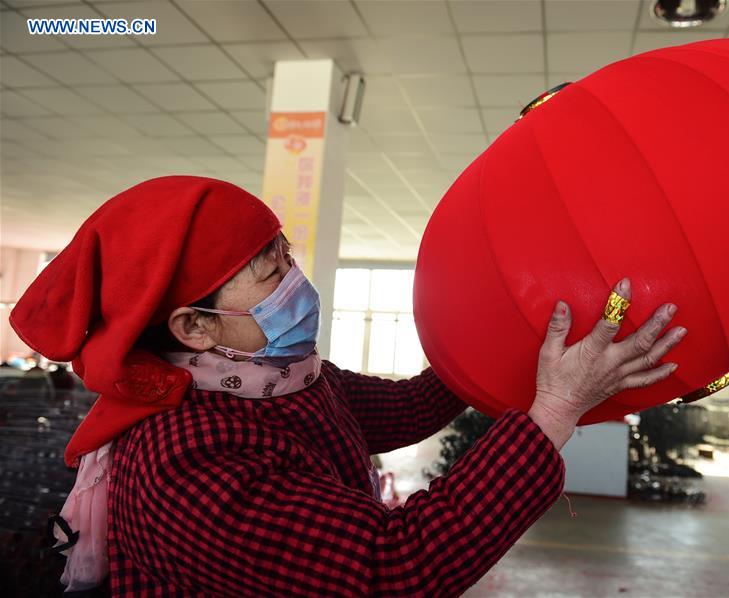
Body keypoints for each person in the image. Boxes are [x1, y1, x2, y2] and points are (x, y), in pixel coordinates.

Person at [9, 176, 686, 595]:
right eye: (269, 272)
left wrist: (508, 342)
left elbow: (407, 406)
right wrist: (557, 409)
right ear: (192, 326)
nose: (297, 281)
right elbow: (392, 568)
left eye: (285, 253)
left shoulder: (274, 383)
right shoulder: (186, 460)